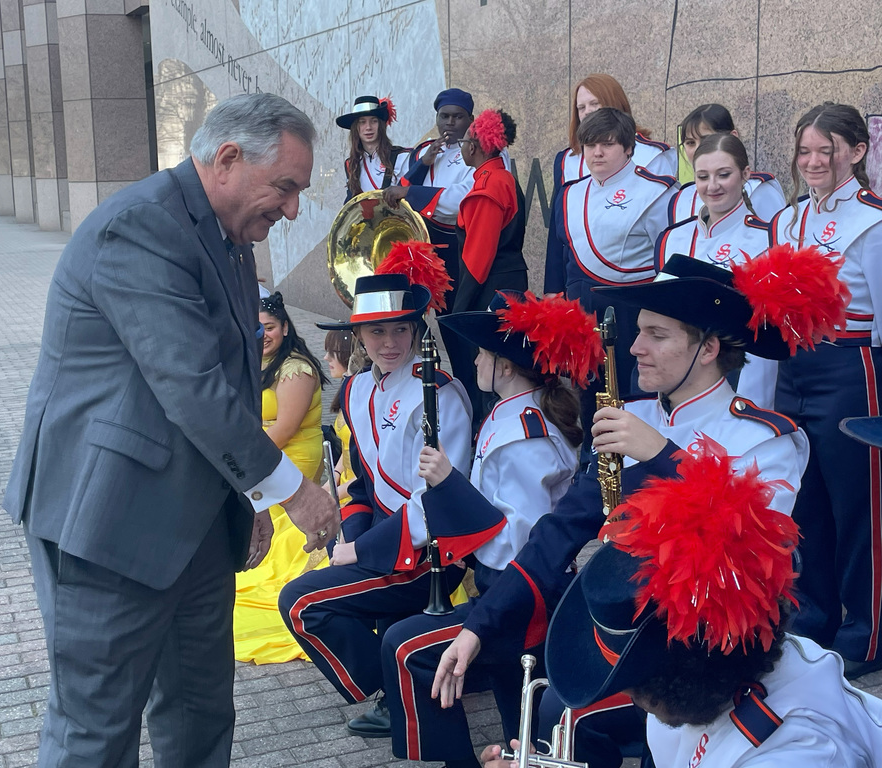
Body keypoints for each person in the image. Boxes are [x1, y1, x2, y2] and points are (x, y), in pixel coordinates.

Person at [2, 93, 338, 767]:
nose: (293, 209)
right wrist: (293, 492)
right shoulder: (141, 227)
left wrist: (248, 500)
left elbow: (235, 385)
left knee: (200, 714)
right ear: (228, 159)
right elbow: (192, 387)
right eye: (286, 188)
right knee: (96, 733)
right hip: (108, 529)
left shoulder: (230, 237)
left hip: (194, 535)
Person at [436, 252, 831, 768]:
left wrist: (663, 457)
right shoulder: (635, 417)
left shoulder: (767, 438)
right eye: (638, 330)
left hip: (715, 664)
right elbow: (558, 531)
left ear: (708, 348)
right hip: (632, 640)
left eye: (657, 335)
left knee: (565, 714)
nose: (636, 347)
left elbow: (747, 556)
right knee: (555, 717)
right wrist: (478, 627)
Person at [529, 447, 882, 768]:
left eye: (633, 684)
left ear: (681, 681)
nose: (629, 696)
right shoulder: (721, 680)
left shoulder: (797, 754)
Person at [379, 290, 595, 767]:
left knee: (407, 649)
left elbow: (522, 541)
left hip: (519, 598)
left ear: (505, 365)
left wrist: (450, 489)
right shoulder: (515, 413)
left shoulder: (524, 435)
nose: (475, 360)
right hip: (503, 589)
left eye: (482, 352)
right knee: (518, 724)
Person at [278, 269, 474, 740]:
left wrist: (363, 553)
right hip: (387, 541)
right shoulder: (358, 389)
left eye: (401, 329)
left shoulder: (439, 393)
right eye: (377, 330)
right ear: (358, 335)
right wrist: (353, 533)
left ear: (416, 330)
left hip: (429, 553)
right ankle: (400, 689)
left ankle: (393, 684)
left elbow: (442, 501)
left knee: (300, 602)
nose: (390, 342)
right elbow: (363, 484)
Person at [769, 102, 882, 679]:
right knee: (804, 501)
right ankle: (812, 621)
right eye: (804, 150)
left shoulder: (873, 221)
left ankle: (866, 634)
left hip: (851, 369)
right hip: (794, 368)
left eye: (826, 150)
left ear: (857, 152)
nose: (812, 161)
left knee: (859, 508)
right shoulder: (787, 221)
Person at [544, 107, 677, 459]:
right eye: (590, 145)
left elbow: (666, 261)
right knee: (591, 408)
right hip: (584, 325)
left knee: (636, 406)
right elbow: (562, 260)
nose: (597, 153)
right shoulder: (569, 194)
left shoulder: (657, 193)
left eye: (607, 144)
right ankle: (593, 476)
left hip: (632, 321)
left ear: (628, 148)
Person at [234, 291, 332, 664]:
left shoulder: (296, 368)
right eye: (257, 327)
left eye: (271, 327)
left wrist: (238, 457)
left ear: (286, 327)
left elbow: (282, 431)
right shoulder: (256, 362)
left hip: (288, 463)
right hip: (260, 455)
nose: (264, 334)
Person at [656, 133, 778, 407]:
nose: (712, 186)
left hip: (739, 374)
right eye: (702, 176)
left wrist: (750, 404)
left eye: (723, 175)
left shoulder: (767, 238)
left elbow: (763, 333)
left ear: (745, 173)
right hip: (681, 374)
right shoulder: (672, 238)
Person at [383, 88, 510, 313]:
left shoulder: (486, 148)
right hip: (428, 246)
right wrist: (423, 164)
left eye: (457, 116)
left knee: (461, 318)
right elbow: (399, 194)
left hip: (463, 246)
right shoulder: (424, 150)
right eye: (444, 116)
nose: (450, 122)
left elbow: (464, 199)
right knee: (429, 318)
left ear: (470, 120)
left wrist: (413, 194)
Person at [448, 108, 528, 425]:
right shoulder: (501, 177)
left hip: (489, 290)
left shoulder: (488, 186)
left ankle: (487, 434)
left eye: (465, 141)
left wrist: (459, 311)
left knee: (487, 371)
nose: (462, 147)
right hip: (505, 282)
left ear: (476, 145)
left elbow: (476, 261)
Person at [551, 73, 674, 192]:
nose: (587, 112)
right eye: (581, 108)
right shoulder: (566, 160)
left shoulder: (651, 155)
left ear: (614, 104)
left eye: (594, 104)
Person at [668, 103, 786, 224]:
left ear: (732, 137)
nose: (699, 148)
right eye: (690, 143)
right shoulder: (680, 199)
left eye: (707, 139)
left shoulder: (760, 192)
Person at [337, 95, 409, 201]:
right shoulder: (351, 164)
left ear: (381, 125)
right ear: (356, 128)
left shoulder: (402, 157)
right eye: (362, 122)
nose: (368, 127)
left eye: (374, 121)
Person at [322, 328, 358, 504]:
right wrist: (332, 480)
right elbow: (346, 449)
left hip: (357, 493)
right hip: (342, 484)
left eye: (332, 352)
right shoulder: (347, 392)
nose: (326, 358)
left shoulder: (363, 400)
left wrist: (332, 495)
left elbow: (368, 473)